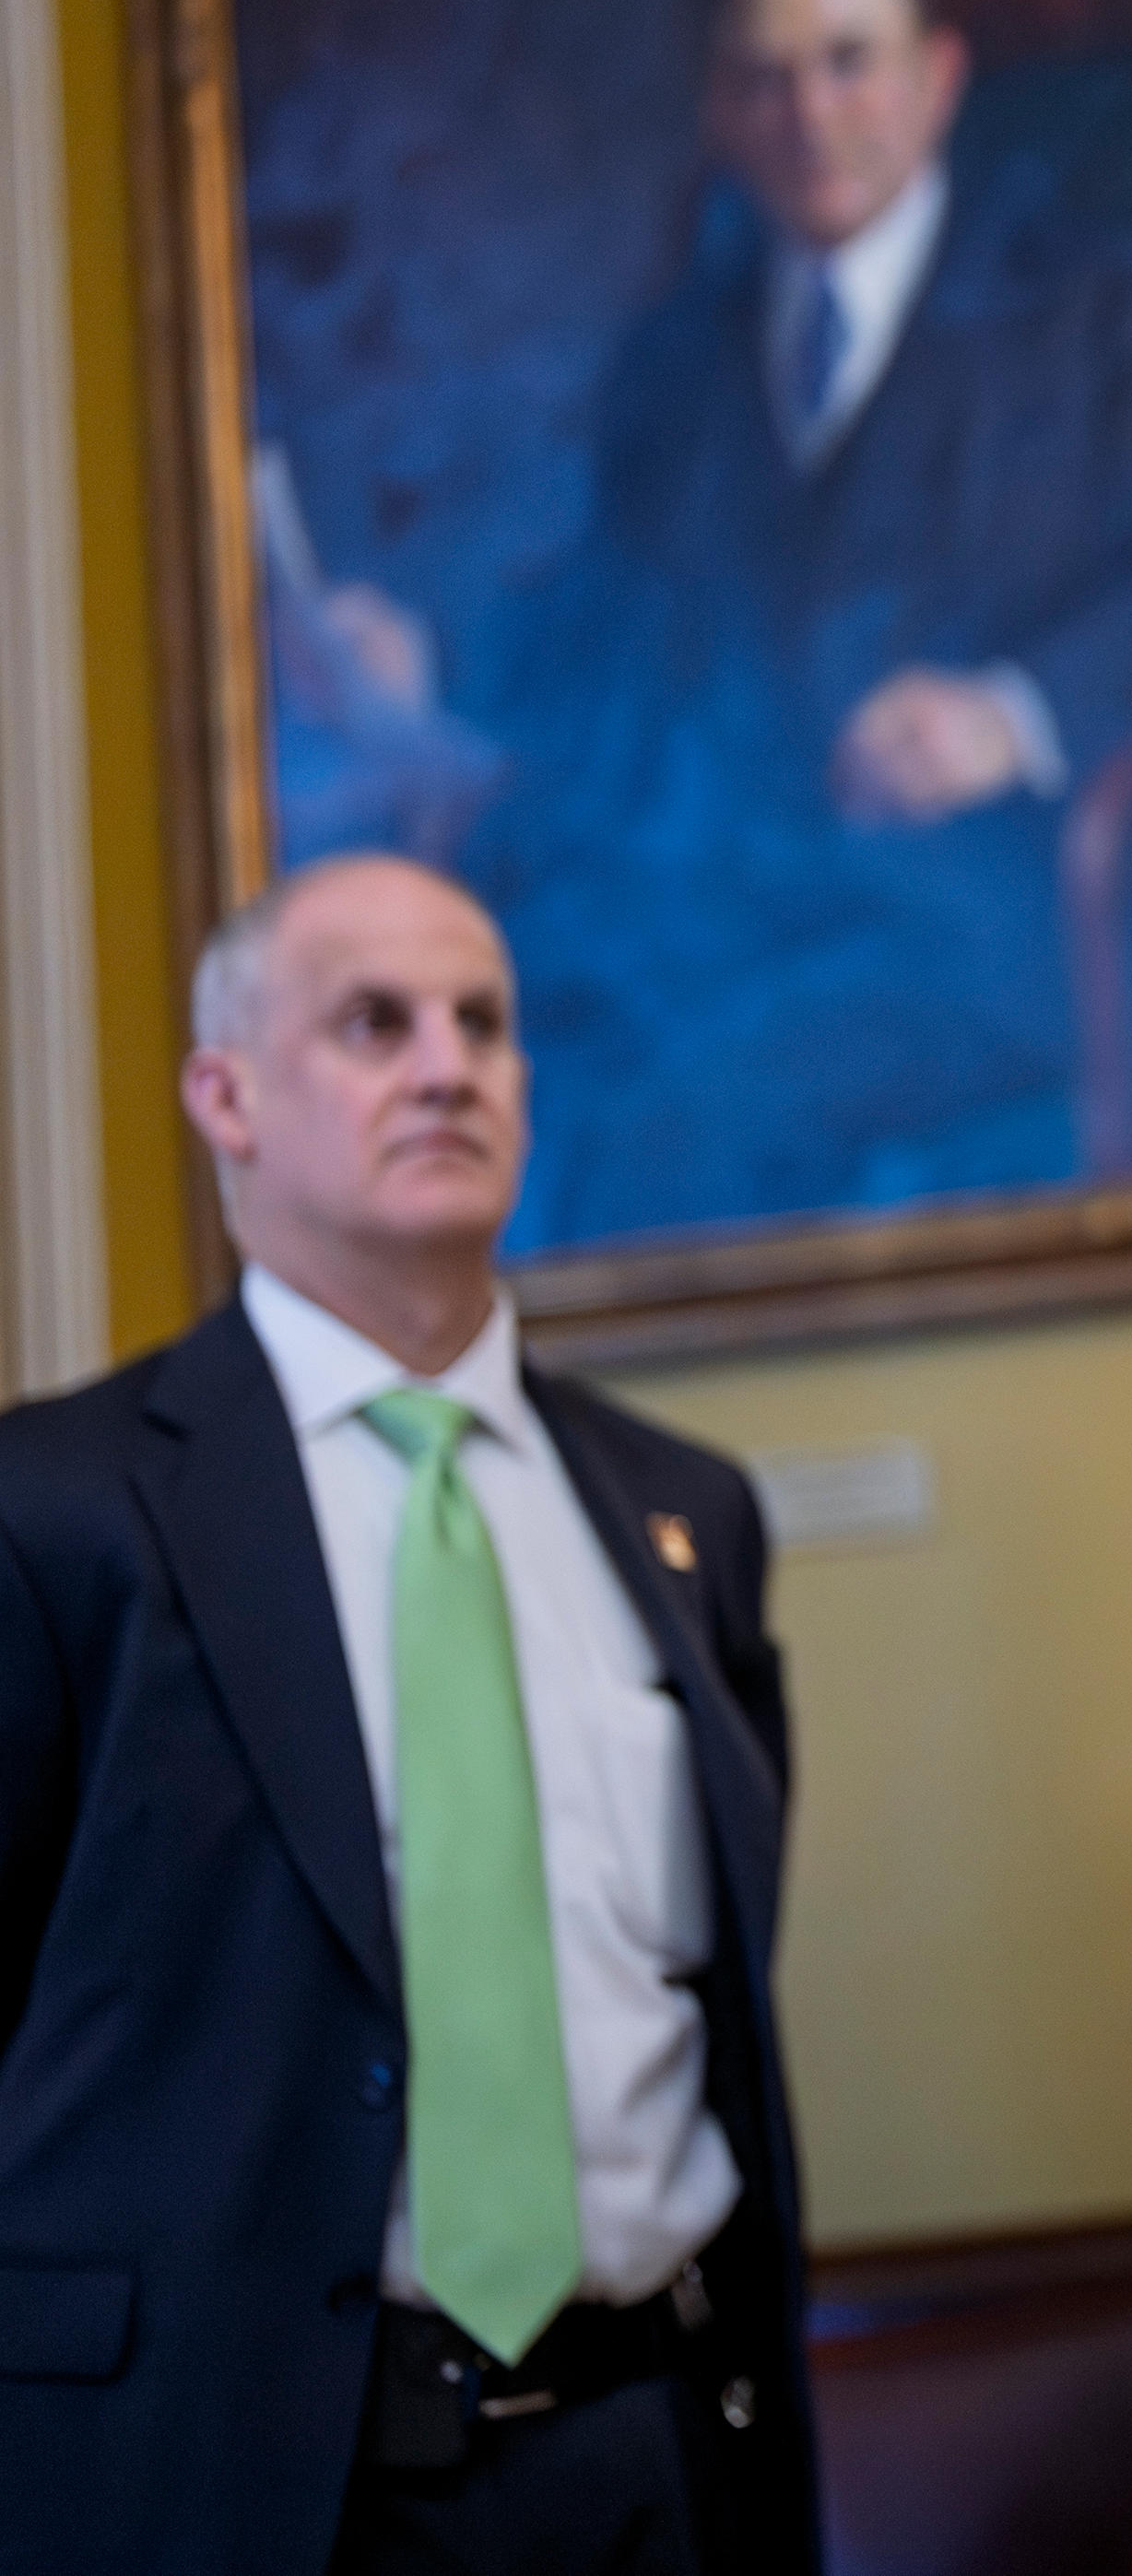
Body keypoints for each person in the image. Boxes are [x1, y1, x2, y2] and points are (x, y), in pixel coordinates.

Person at [0, 855, 816, 2573]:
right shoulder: (57, 1513)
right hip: (251, 2487)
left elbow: (713, 1987)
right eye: (375, 1022)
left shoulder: (688, 1514)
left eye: (485, 1024)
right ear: (225, 1096)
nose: (446, 1064)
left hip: (657, 2453)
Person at [503, 0, 1132, 1247]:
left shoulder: (1102, 309)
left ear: (940, 78)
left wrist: (1012, 712)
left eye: (851, 60)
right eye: (764, 78)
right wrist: (421, 671)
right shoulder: (670, 370)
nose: (811, 112)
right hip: (709, 903)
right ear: (719, 116)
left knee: (655, 1122)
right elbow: (599, 638)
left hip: (993, 905)